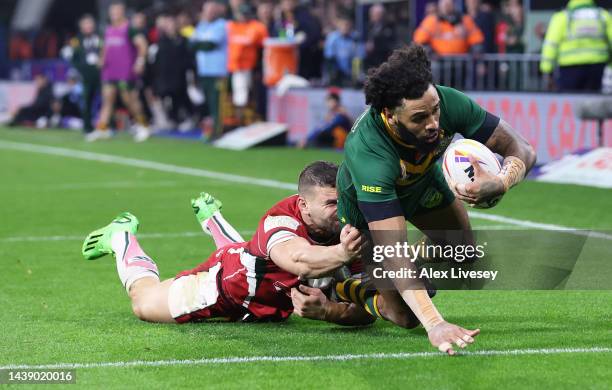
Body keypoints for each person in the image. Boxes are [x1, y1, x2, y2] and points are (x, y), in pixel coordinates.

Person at [335, 44, 536, 354]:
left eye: (435, 111)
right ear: (389, 115)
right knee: (404, 317)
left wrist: (502, 181)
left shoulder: (445, 101)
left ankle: (413, 264)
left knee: (464, 252)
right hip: (366, 211)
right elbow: (391, 248)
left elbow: (522, 149)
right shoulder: (369, 152)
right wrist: (435, 323)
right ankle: (344, 286)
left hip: (422, 184)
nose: (433, 123)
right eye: (419, 118)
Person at [80, 161, 370, 325]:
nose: (342, 209)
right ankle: (122, 237)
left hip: (256, 277)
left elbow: (370, 307)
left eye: (344, 200)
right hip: (224, 288)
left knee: (250, 257)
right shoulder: (280, 221)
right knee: (144, 304)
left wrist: (330, 311)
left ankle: (212, 218)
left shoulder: (349, 224)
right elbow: (299, 260)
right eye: (332, 203)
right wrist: (345, 252)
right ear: (304, 205)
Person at [86, 1, 151, 142]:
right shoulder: (107, 29)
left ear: (122, 12)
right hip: (109, 71)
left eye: (117, 11)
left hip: (125, 71)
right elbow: (104, 47)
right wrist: (101, 60)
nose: (114, 14)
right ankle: (102, 128)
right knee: (107, 99)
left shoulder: (130, 28)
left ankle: (143, 125)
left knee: (130, 100)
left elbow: (143, 45)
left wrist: (140, 62)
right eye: (112, 12)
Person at [540, 0, 612, 92]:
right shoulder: (603, 16)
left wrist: (546, 70)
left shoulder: (562, 17)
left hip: (569, 68)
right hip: (597, 66)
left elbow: (550, 45)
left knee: (569, 101)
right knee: (592, 101)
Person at [191, 1, 228, 139]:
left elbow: (209, 45)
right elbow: (190, 45)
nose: (209, 13)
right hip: (204, 71)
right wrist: (199, 44)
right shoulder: (202, 25)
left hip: (217, 71)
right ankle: (211, 130)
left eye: (212, 10)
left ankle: (217, 133)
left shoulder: (222, 25)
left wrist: (198, 44)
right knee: (208, 103)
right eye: (206, 10)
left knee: (217, 104)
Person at [227, 3, 268, 124]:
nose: (243, 17)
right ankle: (238, 121)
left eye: (246, 14)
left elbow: (265, 47)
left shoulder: (256, 27)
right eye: (242, 14)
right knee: (238, 95)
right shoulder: (231, 26)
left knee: (246, 95)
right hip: (233, 67)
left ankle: (246, 121)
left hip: (251, 67)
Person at [62, 14, 102, 133]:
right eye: (86, 23)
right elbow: (73, 59)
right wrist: (80, 71)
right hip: (85, 76)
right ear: (81, 26)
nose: (88, 26)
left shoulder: (100, 37)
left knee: (106, 100)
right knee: (86, 102)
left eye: (90, 23)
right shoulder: (76, 40)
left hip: (100, 74)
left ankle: (107, 126)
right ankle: (87, 127)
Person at [152, 15, 193, 130]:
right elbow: (158, 60)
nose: (170, 27)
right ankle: (173, 120)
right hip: (164, 77)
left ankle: (189, 118)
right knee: (167, 99)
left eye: (172, 24)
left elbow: (188, 58)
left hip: (179, 75)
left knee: (181, 97)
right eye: (168, 25)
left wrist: (187, 70)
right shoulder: (162, 41)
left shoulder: (182, 40)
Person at [413, 0, 484, 56]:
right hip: (439, 63)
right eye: (444, 4)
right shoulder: (431, 21)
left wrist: (476, 49)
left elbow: (476, 38)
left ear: (454, 4)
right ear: (440, 5)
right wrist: (429, 51)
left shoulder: (465, 20)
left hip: (461, 63)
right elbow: (419, 40)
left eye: (449, 4)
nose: (446, 7)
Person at [323, 14, 360, 87]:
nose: (345, 27)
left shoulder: (355, 38)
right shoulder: (332, 38)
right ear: (338, 26)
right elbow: (329, 59)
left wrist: (355, 75)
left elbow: (357, 59)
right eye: (343, 25)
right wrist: (333, 75)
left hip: (349, 76)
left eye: (347, 25)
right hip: (335, 76)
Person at [363, 4, 397, 71]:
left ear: (382, 15)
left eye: (376, 14)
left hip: (384, 61)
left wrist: (375, 45)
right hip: (371, 61)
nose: (373, 16)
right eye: (372, 14)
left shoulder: (390, 26)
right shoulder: (369, 26)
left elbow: (391, 44)